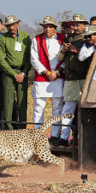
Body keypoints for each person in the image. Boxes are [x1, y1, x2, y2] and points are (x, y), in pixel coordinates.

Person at [31, 16, 65, 144]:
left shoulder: (62, 39)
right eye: (45, 26)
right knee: (38, 107)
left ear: (55, 28)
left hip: (57, 77)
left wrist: (58, 71)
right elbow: (34, 59)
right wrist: (46, 72)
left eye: (50, 27)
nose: (47, 29)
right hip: (41, 78)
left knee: (57, 107)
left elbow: (66, 59)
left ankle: (55, 135)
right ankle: (37, 135)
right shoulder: (37, 39)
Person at [57, 14, 89, 146]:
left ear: (84, 25)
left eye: (77, 25)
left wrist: (77, 50)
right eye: (74, 25)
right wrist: (64, 50)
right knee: (68, 109)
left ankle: (82, 139)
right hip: (70, 78)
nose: (75, 27)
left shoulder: (87, 39)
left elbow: (91, 57)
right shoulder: (68, 38)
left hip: (83, 78)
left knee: (84, 109)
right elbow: (59, 58)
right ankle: (64, 138)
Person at [0, 15, 32, 130]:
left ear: (17, 24)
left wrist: (23, 73)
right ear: (6, 26)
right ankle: (8, 129)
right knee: (8, 103)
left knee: (22, 103)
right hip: (9, 74)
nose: (11, 27)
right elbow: (1, 59)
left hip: (23, 73)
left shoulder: (26, 37)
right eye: (8, 25)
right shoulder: (3, 39)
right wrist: (14, 74)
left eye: (13, 24)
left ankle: (22, 129)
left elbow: (29, 58)